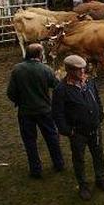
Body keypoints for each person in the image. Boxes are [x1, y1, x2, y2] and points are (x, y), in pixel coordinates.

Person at [52, 55, 104, 201]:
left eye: (83, 68)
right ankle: (83, 185)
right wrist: (67, 130)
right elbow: (57, 113)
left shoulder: (89, 82)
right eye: (78, 70)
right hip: (77, 132)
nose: (82, 72)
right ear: (69, 71)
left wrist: (100, 114)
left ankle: (100, 178)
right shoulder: (61, 89)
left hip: (94, 128)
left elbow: (97, 99)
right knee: (79, 159)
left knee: (98, 154)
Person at [6, 43, 64, 179]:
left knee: (29, 141)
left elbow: (10, 93)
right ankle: (59, 164)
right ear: (40, 54)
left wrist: (19, 101)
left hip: (25, 112)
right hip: (44, 110)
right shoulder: (45, 69)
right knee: (51, 137)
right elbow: (57, 86)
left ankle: (35, 169)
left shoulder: (17, 69)